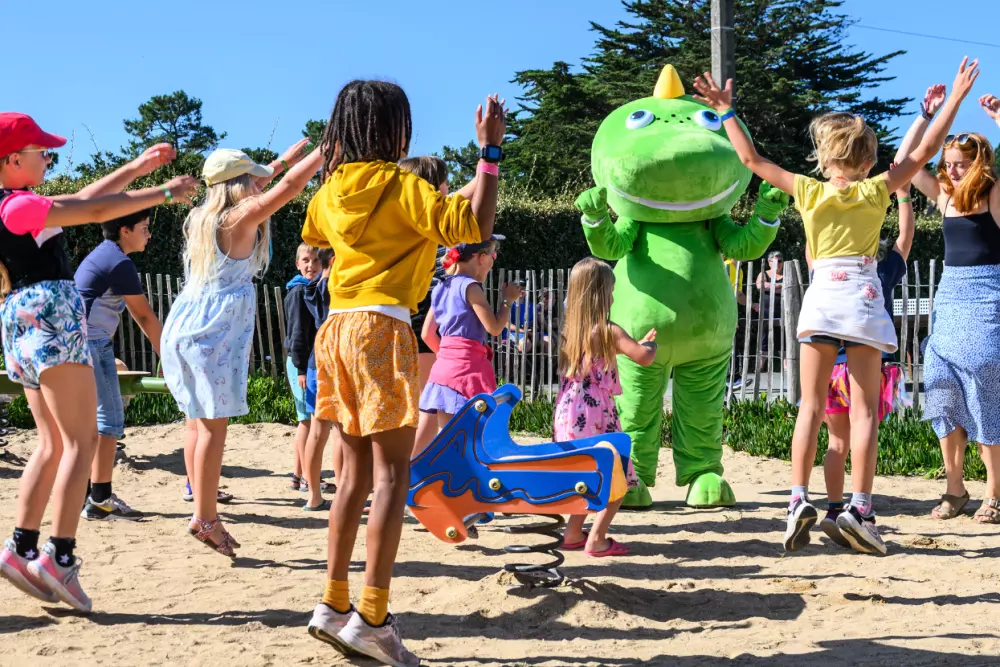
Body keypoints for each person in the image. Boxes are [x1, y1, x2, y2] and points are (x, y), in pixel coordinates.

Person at [693, 56, 979, 555]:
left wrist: (726, 112)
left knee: (809, 405)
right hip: (863, 296)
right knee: (865, 411)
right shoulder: (876, 190)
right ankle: (860, 510)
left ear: (824, 159)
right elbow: (928, 149)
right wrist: (951, 100)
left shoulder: (808, 190)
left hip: (821, 295)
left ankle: (798, 499)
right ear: (868, 161)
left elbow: (752, 162)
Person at [301, 80, 505, 667]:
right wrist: (488, 155)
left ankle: (332, 604)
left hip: (337, 329)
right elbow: (470, 227)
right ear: (396, 131)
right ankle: (373, 617)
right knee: (393, 477)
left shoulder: (332, 190)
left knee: (353, 478)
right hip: (384, 327)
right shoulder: (400, 184)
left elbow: (317, 236)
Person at [0, 112, 197, 612]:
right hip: (50, 316)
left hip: (22, 320)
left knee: (51, 442)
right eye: (41, 152)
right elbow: (90, 212)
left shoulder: (16, 204)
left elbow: (86, 200)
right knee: (81, 441)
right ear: (12, 159)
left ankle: (22, 549)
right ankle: (59, 557)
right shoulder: (16, 207)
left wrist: (137, 166)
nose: (47, 158)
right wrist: (164, 194)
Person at [160, 140, 321, 558]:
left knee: (196, 423)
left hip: (185, 322)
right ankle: (206, 518)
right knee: (214, 427)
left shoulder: (201, 216)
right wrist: (326, 153)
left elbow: (271, 178)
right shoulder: (241, 215)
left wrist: (285, 159)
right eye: (251, 178)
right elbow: (285, 190)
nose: (257, 183)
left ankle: (200, 508)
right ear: (238, 184)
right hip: (215, 330)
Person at [907, 87, 1000, 523]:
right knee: (942, 389)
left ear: (980, 163)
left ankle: (994, 493)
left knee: (984, 385)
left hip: (988, 296)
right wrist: (925, 115)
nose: (952, 171)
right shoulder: (945, 197)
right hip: (950, 296)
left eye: (961, 164)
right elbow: (904, 163)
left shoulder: (994, 195)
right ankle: (955, 488)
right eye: (947, 165)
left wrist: (999, 121)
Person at [812, 162, 915, 546]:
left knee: (836, 442)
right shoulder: (882, 270)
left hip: (830, 367)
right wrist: (902, 193)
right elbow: (905, 238)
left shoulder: (828, 267)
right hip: (865, 363)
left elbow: (811, 245)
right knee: (864, 428)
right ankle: (860, 507)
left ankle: (834, 508)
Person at [556, 258, 657, 556]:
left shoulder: (569, 333)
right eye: (610, 290)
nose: (613, 297)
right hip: (595, 414)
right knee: (617, 477)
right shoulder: (608, 330)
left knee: (587, 474)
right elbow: (643, 357)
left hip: (568, 415)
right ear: (600, 294)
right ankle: (597, 538)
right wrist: (650, 345)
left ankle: (573, 532)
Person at [76, 208, 164, 521]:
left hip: (77, 344)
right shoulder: (118, 262)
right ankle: (99, 500)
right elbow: (143, 315)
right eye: (144, 227)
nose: (149, 234)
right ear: (124, 230)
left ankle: (88, 493)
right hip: (91, 343)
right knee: (109, 421)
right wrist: (165, 355)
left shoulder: (103, 255)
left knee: (90, 424)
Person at [397, 156, 477, 456]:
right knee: (428, 403)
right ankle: (411, 477)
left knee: (416, 401)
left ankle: (405, 477)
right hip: (427, 314)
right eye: (444, 183)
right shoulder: (431, 216)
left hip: (406, 312)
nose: (449, 189)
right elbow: (475, 186)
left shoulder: (401, 217)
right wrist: (489, 156)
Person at [302, 247, 338, 511]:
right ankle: (347, 490)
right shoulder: (332, 287)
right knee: (342, 433)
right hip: (334, 362)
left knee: (318, 431)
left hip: (317, 361)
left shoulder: (312, 286)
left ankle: (314, 495)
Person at [284, 242, 321, 493]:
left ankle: (298, 475)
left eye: (316, 260)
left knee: (303, 420)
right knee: (308, 422)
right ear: (298, 263)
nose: (311, 265)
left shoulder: (309, 289)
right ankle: (309, 477)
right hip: (301, 363)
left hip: (302, 362)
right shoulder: (299, 292)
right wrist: (300, 369)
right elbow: (298, 334)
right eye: (306, 260)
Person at [755, 250, 783, 373]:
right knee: (764, 340)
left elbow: (789, 287)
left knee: (783, 341)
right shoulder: (764, 274)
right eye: (775, 261)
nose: (778, 264)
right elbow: (760, 286)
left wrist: (772, 287)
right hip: (766, 312)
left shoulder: (786, 275)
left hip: (782, 312)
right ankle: (760, 367)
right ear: (769, 262)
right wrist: (779, 286)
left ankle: (786, 368)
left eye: (780, 261)